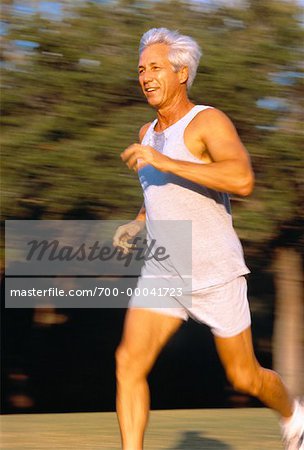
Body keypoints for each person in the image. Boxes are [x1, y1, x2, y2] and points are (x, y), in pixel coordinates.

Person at [113, 28, 304, 450]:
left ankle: (294, 414)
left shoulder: (207, 121)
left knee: (244, 376)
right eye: (141, 68)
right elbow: (159, 190)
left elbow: (242, 178)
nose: (145, 75)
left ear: (181, 73)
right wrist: (138, 220)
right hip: (165, 270)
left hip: (214, 271)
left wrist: (163, 160)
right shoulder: (147, 132)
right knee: (128, 363)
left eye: (156, 67)